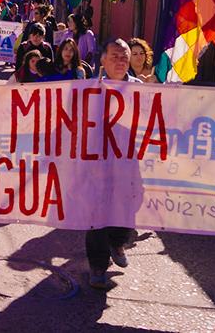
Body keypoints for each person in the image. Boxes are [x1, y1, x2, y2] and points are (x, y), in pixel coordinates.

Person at [87, 38, 144, 290]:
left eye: (125, 56)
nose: (120, 61)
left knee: (128, 209)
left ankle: (118, 241)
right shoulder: (88, 89)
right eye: (115, 56)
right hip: (96, 165)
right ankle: (98, 266)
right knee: (95, 215)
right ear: (102, 59)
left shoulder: (142, 90)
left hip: (130, 164)